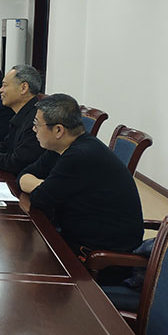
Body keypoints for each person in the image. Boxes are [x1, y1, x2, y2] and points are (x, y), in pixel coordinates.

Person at [18, 93, 143, 260]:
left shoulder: (80, 155)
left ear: (58, 130)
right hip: (76, 235)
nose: (34, 130)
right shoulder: (61, 147)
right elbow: (23, 175)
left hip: (101, 254)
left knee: (23, 253)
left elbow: (40, 199)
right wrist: (45, 185)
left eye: (37, 125)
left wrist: (45, 187)